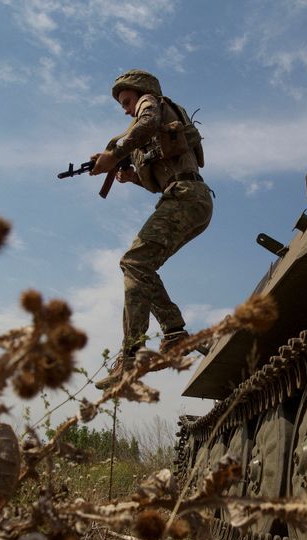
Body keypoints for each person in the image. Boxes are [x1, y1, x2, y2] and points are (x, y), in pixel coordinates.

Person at [90, 69, 212, 390]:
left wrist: (115, 153)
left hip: (186, 196)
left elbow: (145, 125)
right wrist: (131, 175)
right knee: (140, 266)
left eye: (127, 102)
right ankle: (173, 334)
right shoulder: (153, 117)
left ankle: (132, 355)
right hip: (187, 198)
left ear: (140, 92)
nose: (127, 110)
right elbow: (164, 173)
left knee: (134, 262)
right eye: (124, 106)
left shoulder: (150, 103)